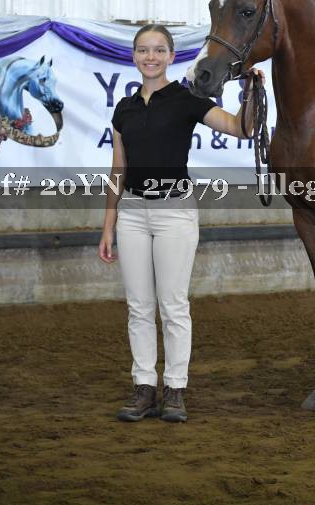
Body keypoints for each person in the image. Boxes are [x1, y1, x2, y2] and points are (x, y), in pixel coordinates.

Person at [98, 24, 255, 423]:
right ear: (134, 56)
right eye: (143, 50)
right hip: (132, 214)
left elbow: (240, 128)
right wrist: (109, 223)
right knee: (138, 306)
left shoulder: (187, 100)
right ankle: (143, 387)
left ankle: (175, 390)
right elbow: (118, 168)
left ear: (170, 56)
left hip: (174, 213)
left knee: (172, 305)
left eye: (158, 50)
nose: (150, 57)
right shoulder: (124, 109)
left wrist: (250, 94)